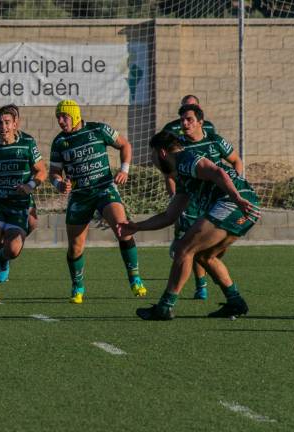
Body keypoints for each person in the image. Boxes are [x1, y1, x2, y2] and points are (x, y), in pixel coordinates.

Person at [117, 131, 260, 320]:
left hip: (234, 204)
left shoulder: (185, 160)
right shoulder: (184, 177)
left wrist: (237, 199)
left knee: (183, 249)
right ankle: (235, 302)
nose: (152, 162)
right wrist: (136, 226)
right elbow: (169, 216)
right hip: (246, 207)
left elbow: (217, 172)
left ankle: (165, 307)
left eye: (151, 156)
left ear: (161, 153)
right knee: (204, 256)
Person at [49, 99, 146, 304]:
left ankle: (135, 278)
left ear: (75, 116)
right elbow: (54, 173)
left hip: (104, 189)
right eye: (58, 117)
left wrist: (124, 169)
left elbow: (124, 144)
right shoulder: (59, 142)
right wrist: (59, 185)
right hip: (80, 196)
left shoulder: (98, 129)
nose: (60, 121)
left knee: (122, 229)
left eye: (64, 116)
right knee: (75, 247)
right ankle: (78, 287)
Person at [166, 104, 242, 300]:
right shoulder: (179, 146)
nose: (184, 123)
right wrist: (175, 194)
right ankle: (198, 288)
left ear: (201, 122)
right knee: (187, 249)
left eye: (189, 119)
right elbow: (171, 173)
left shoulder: (215, 141)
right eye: (182, 119)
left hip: (219, 203)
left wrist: (237, 184)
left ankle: (229, 296)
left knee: (206, 252)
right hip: (191, 202)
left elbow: (236, 160)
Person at [0, 104, 47, 302]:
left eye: (7, 122)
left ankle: (4, 258)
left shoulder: (27, 143)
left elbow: (41, 171)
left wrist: (30, 185)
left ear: (15, 124)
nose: (3, 126)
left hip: (19, 204)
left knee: (13, 250)